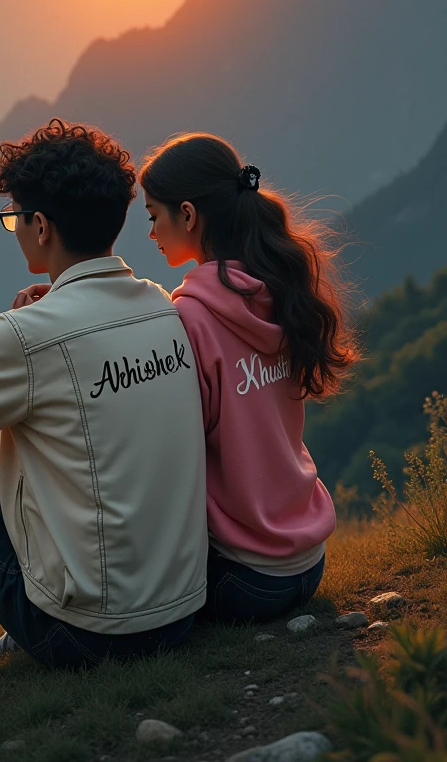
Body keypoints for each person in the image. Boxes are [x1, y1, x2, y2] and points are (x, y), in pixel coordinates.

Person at [0, 119, 207, 680]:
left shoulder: (28, 335)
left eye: (15, 218)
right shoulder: (160, 305)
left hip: (85, 634)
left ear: (42, 226)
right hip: (180, 611)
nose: (16, 229)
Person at [139, 133, 358, 624]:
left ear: (189, 215)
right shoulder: (282, 287)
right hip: (308, 562)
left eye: (154, 216)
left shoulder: (192, 318)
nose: (150, 232)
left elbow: (176, 450)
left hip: (245, 580)